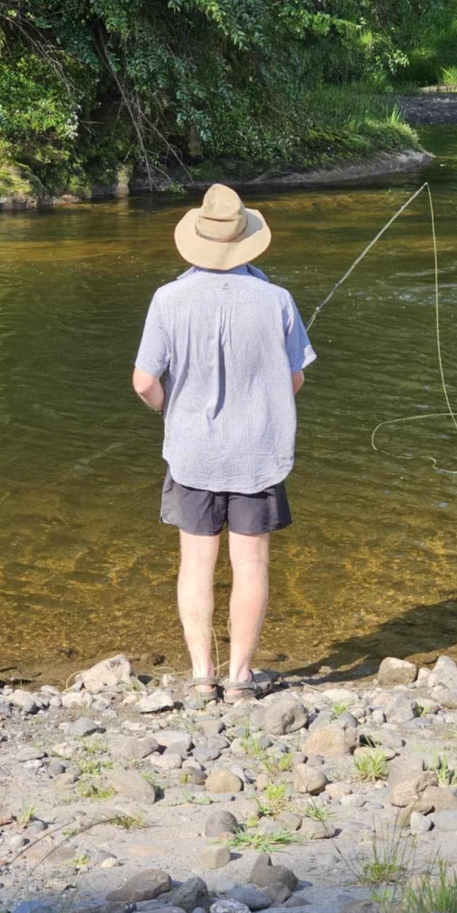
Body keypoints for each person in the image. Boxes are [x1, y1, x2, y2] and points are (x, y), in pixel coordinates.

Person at [132, 183, 316, 703]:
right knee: (251, 565)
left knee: (196, 563)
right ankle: (239, 679)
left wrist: (172, 410)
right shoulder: (278, 299)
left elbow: (144, 382)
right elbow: (294, 380)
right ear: (246, 242)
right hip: (258, 453)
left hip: (192, 453)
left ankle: (200, 674)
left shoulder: (167, 298)